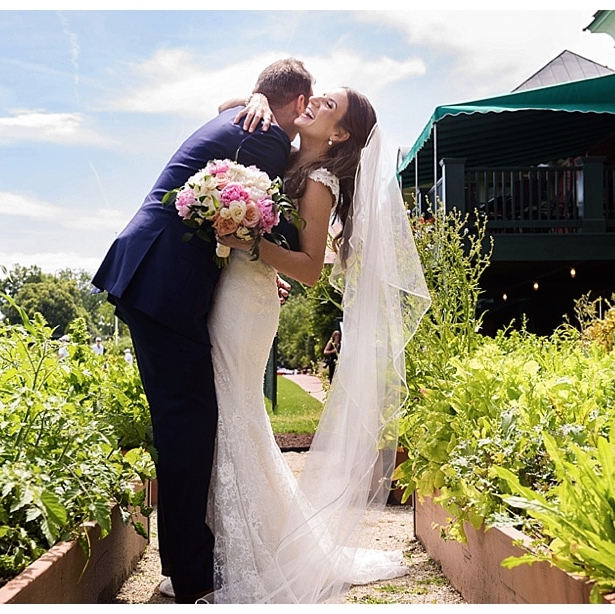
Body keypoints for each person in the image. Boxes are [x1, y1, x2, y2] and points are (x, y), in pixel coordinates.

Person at [91, 58, 314, 604]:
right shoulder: (265, 140)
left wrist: (246, 99)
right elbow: (280, 219)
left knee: (188, 423)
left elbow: (239, 222)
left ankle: (192, 560)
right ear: (299, 105)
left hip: (158, 279)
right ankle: (191, 577)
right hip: (162, 285)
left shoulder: (243, 118)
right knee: (187, 426)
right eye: (309, 106)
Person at [206, 88, 431, 603]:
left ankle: (247, 549)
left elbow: (309, 269)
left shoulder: (319, 182)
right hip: (241, 289)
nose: (312, 103)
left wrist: (248, 243)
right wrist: (258, 97)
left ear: (340, 133)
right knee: (234, 410)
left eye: (326, 105)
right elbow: (223, 109)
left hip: (249, 303)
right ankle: (254, 535)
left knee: (233, 407)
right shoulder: (286, 158)